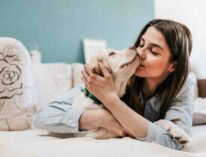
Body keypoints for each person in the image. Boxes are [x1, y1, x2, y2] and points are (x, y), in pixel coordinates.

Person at [33, 19, 194, 150]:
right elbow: (42, 117)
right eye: (141, 44)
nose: (140, 52)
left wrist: (111, 100)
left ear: (173, 65)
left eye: (153, 51)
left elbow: (174, 143)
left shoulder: (182, 85)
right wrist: (102, 117)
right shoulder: (114, 75)